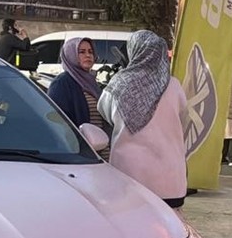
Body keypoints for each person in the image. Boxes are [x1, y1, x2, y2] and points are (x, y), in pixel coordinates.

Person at [99, 30, 189, 209]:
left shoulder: (118, 85)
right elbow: (184, 121)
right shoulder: (174, 85)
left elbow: (104, 113)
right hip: (171, 178)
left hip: (129, 177)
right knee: (172, 231)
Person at [48, 37, 109, 143]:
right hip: (81, 148)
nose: (88, 55)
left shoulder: (92, 82)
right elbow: (57, 120)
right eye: (81, 52)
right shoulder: (62, 83)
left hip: (101, 148)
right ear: (71, 55)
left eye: (91, 52)